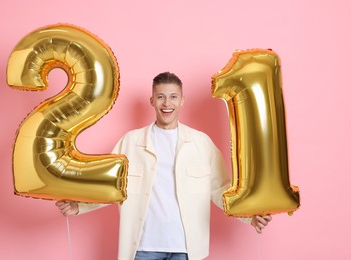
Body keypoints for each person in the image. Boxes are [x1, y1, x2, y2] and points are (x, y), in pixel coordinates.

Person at [56, 72, 272, 260]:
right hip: (142, 247)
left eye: (173, 97)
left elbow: (221, 189)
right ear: (152, 101)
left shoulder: (201, 143)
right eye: (160, 97)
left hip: (186, 249)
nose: (166, 104)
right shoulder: (130, 142)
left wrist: (250, 217)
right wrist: (79, 206)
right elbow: (109, 186)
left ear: (182, 100)